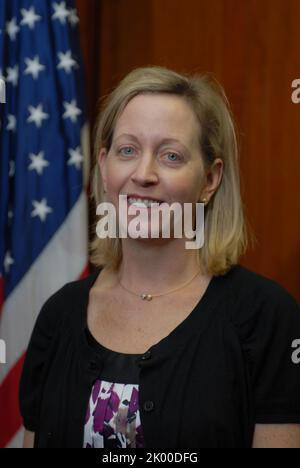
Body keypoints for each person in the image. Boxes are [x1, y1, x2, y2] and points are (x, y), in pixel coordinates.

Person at [20, 66, 300, 448]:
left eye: (170, 156)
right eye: (128, 150)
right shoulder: (59, 315)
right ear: (104, 167)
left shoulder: (268, 317)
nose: (144, 173)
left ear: (209, 180)